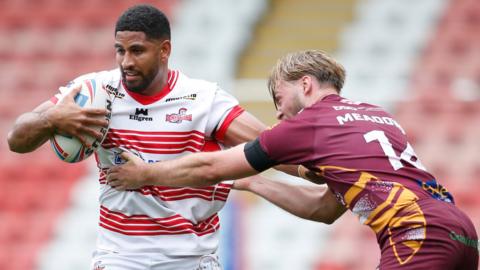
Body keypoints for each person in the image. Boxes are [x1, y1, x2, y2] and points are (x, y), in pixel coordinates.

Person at [106, 50, 479, 269]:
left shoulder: (309, 124)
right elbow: (325, 208)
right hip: (461, 232)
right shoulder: (374, 114)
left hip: (416, 235)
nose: (280, 116)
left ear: (305, 85)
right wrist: (252, 182)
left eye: (278, 100)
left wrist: (143, 173)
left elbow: (209, 166)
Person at [6, 4, 297, 270]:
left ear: (164, 50)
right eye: (120, 50)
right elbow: (16, 140)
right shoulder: (94, 92)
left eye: (137, 50)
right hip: (120, 257)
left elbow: (271, 147)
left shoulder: (202, 100)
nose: (126, 61)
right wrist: (51, 119)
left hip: (190, 258)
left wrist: (318, 167)